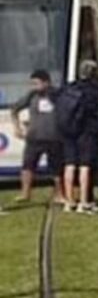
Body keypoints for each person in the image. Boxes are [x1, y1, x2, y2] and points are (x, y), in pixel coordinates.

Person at [9, 70, 65, 209]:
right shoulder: (31, 96)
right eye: (32, 83)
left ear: (46, 82)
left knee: (56, 168)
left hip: (54, 137)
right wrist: (17, 127)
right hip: (34, 137)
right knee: (28, 165)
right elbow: (14, 109)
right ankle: (25, 193)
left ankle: (59, 193)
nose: (34, 86)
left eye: (37, 83)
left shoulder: (58, 95)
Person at [57, 60, 98, 214]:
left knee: (70, 164)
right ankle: (85, 201)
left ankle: (69, 201)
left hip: (69, 130)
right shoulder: (95, 90)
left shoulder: (69, 87)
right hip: (88, 131)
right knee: (85, 166)